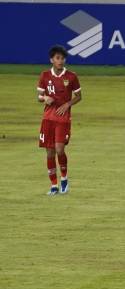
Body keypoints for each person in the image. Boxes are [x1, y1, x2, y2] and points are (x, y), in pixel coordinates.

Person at [37, 45, 82, 195]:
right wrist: (44, 98)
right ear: (52, 60)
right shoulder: (44, 75)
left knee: (59, 149)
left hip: (63, 119)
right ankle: (53, 185)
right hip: (48, 119)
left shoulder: (71, 76)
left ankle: (64, 179)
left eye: (62, 58)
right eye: (57, 58)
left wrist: (67, 104)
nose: (60, 61)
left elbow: (79, 96)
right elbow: (39, 97)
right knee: (49, 153)